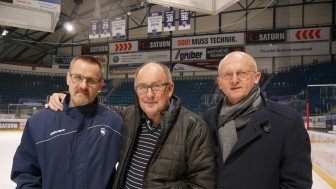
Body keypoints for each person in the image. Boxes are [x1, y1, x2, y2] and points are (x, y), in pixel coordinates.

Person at [46, 62, 216, 188]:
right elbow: (92, 106)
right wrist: (66, 96)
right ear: (136, 90)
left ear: (170, 89)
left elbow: (203, 184)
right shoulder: (127, 116)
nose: (149, 95)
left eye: (156, 86)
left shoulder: (194, 127)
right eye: (142, 87)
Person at [203, 51, 312, 189]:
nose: (234, 80)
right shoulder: (208, 120)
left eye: (242, 73)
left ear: (256, 77)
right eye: (227, 75)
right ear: (219, 83)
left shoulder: (288, 122)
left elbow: (297, 184)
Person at [11, 56, 123, 189]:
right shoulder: (38, 123)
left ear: (100, 85)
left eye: (91, 81)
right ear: (68, 78)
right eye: (77, 77)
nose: (83, 86)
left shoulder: (114, 123)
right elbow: (26, 174)